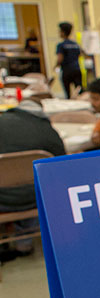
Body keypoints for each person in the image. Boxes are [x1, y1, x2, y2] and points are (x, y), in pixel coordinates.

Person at [0, 98, 66, 260]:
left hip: (2, 197)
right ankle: (25, 244)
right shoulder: (47, 131)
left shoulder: (2, 122)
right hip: (39, 198)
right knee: (36, 183)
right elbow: (62, 166)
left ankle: (16, 241)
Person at [55, 22, 82, 98]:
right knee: (79, 90)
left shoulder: (61, 45)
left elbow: (60, 58)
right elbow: (80, 54)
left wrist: (56, 66)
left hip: (67, 70)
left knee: (68, 93)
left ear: (63, 32)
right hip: (77, 69)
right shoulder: (75, 44)